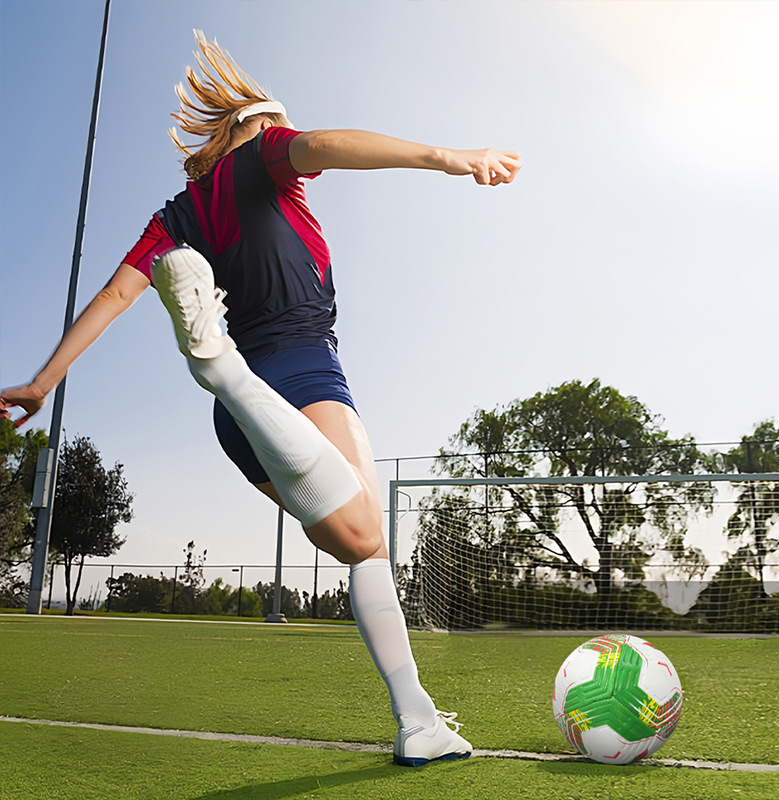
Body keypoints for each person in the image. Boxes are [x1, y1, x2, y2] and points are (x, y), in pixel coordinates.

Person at [0, 31, 521, 766]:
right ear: (260, 120)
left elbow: (119, 292)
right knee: (365, 536)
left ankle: (418, 721)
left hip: (246, 426)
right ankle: (222, 366)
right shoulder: (266, 152)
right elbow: (330, 143)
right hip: (297, 371)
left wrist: (42, 383)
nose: (287, 138)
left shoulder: (175, 217)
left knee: (358, 546)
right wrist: (448, 157)